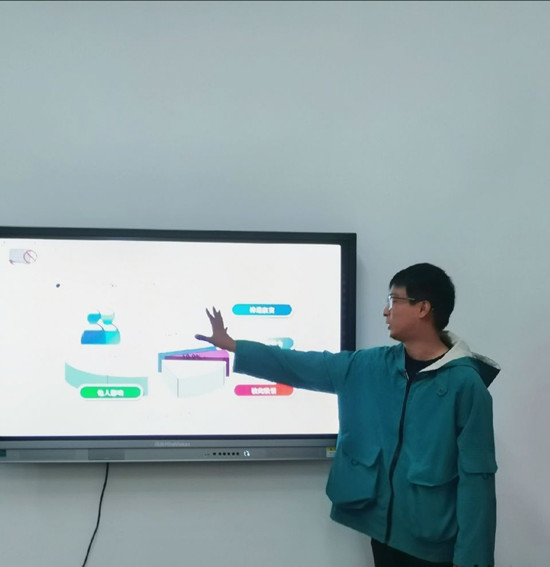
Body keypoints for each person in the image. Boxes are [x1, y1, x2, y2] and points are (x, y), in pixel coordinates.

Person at [195, 263, 499, 567]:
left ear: (423, 308)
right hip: (384, 536)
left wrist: (472, 561)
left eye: (394, 300)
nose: (386, 311)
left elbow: (478, 480)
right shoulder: (371, 366)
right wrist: (235, 347)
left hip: (433, 544)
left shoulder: (465, 384)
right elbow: (301, 365)